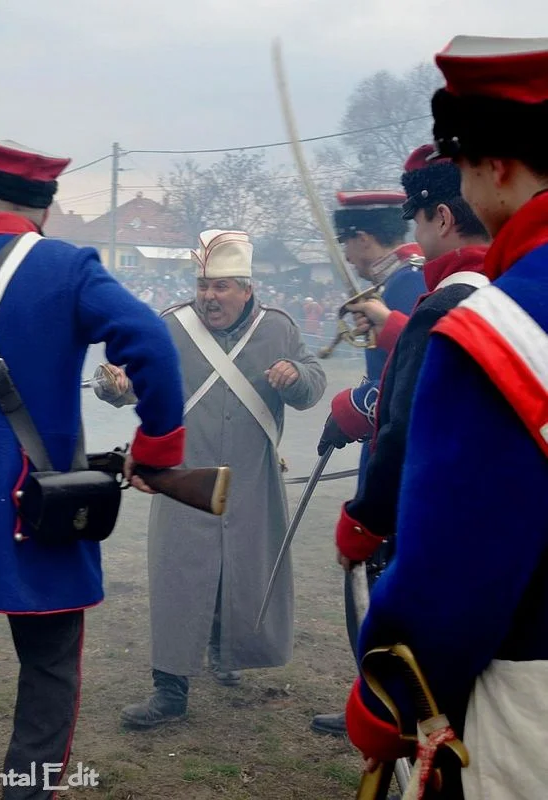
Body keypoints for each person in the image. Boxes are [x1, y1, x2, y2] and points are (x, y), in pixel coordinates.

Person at [0, 139, 186, 800]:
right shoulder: (69, 268)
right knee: (49, 656)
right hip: (37, 490)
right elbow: (151, 343)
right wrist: (159, 446)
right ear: (45, 208)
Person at [345, 36, 548, 800]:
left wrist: (384, 703)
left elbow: (451, 571)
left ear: (495, 166)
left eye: (463, 166)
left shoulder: (492, 329)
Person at [95, 229, 327, 728]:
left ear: (246, 288)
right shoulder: (171, 326)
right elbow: (132, 383)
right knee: (177, 576)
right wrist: (114, 385)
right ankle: (169, 688)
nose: (209, 297)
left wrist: (296, 376)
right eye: (203, 286)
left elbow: (312, 386)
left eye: (221, 286)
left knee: (240, 570)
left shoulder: (279, 328)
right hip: (184, 477)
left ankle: (228, 653)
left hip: (253, 476)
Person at [335, 144, 490, 569]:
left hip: (428, 503)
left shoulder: (422, 290)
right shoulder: (509, 282)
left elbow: (418, 401)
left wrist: (364, 523)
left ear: (442, 218)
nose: (416, 237)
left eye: (419, 222)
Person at [312, 190, 426, 737]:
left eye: (347, 243)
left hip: (395, 461)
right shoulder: (392, 285)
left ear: (362, 238)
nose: (347, 255)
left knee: (379, 583)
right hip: (386, 450)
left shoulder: (405, 287)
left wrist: (349, 409)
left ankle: (383, 702)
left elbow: (405, 380)